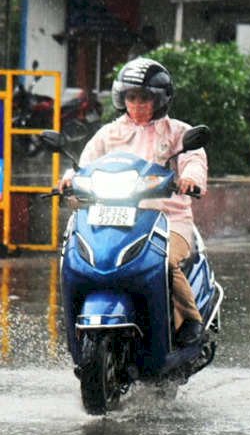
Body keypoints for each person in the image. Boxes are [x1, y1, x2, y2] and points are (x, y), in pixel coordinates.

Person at [58, 58, 207, 347]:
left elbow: (194, 160)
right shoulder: (110, 133)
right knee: (76, 260)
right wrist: (68, 179)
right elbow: (84, 165)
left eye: (144, 98)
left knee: (166, 264)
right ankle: (75, 324)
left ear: (160, 100)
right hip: (112, 215)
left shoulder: (177, 132)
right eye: (131, 98)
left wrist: (190, 178)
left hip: (167, 218)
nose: (137, 105)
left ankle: (191, 320)